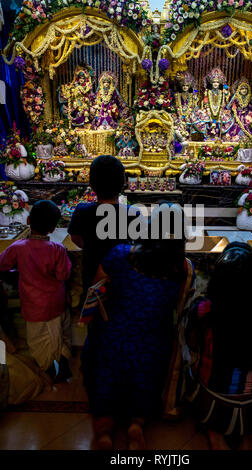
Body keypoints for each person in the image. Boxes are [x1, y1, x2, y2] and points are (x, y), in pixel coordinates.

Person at [81, 203, 195, 450]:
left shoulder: (121, 254)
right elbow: (178, 306)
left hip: (113, 338)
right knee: (149, 372)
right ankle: (136, 425)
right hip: (152, 344)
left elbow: (96, 289)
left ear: (149, 228)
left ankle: (104, 430)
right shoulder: (183, 268)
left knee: (100, 361)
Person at [185, 242, 252, 450]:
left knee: (190, 371)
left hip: (211, 406)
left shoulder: (204, 309)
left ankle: (216, 437)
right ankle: (250, 436)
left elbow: (192, 346)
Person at [0, 200, 72, 382]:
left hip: (33, 305)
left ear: (29, 221)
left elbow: (2, 265)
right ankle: (60, 362)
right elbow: (63, 275)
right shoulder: (58, 249)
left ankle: (51, 369)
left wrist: (16, 271)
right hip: (56, 302)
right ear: (54, 228)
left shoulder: (18, 247)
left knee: (39, 340)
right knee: (58, 334)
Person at [68, 155, 142, 294]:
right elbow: (139, 245)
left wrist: (92, 247)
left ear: (91, 184)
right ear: (123, 182)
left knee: (93, 309)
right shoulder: (133, 213)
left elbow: (75, 238)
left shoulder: (82, 210)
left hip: (92, 275)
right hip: (123, 277)